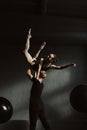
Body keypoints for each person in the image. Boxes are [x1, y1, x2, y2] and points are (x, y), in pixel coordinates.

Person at [27, 58, 51, 130]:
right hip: (40, 104)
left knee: (33, 124)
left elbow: (28, 73)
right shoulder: (41, 84)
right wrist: (37, 68)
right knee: (44, 122)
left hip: (34, 105)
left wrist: (30, 66)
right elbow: (37, 74)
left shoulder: (36, 81)